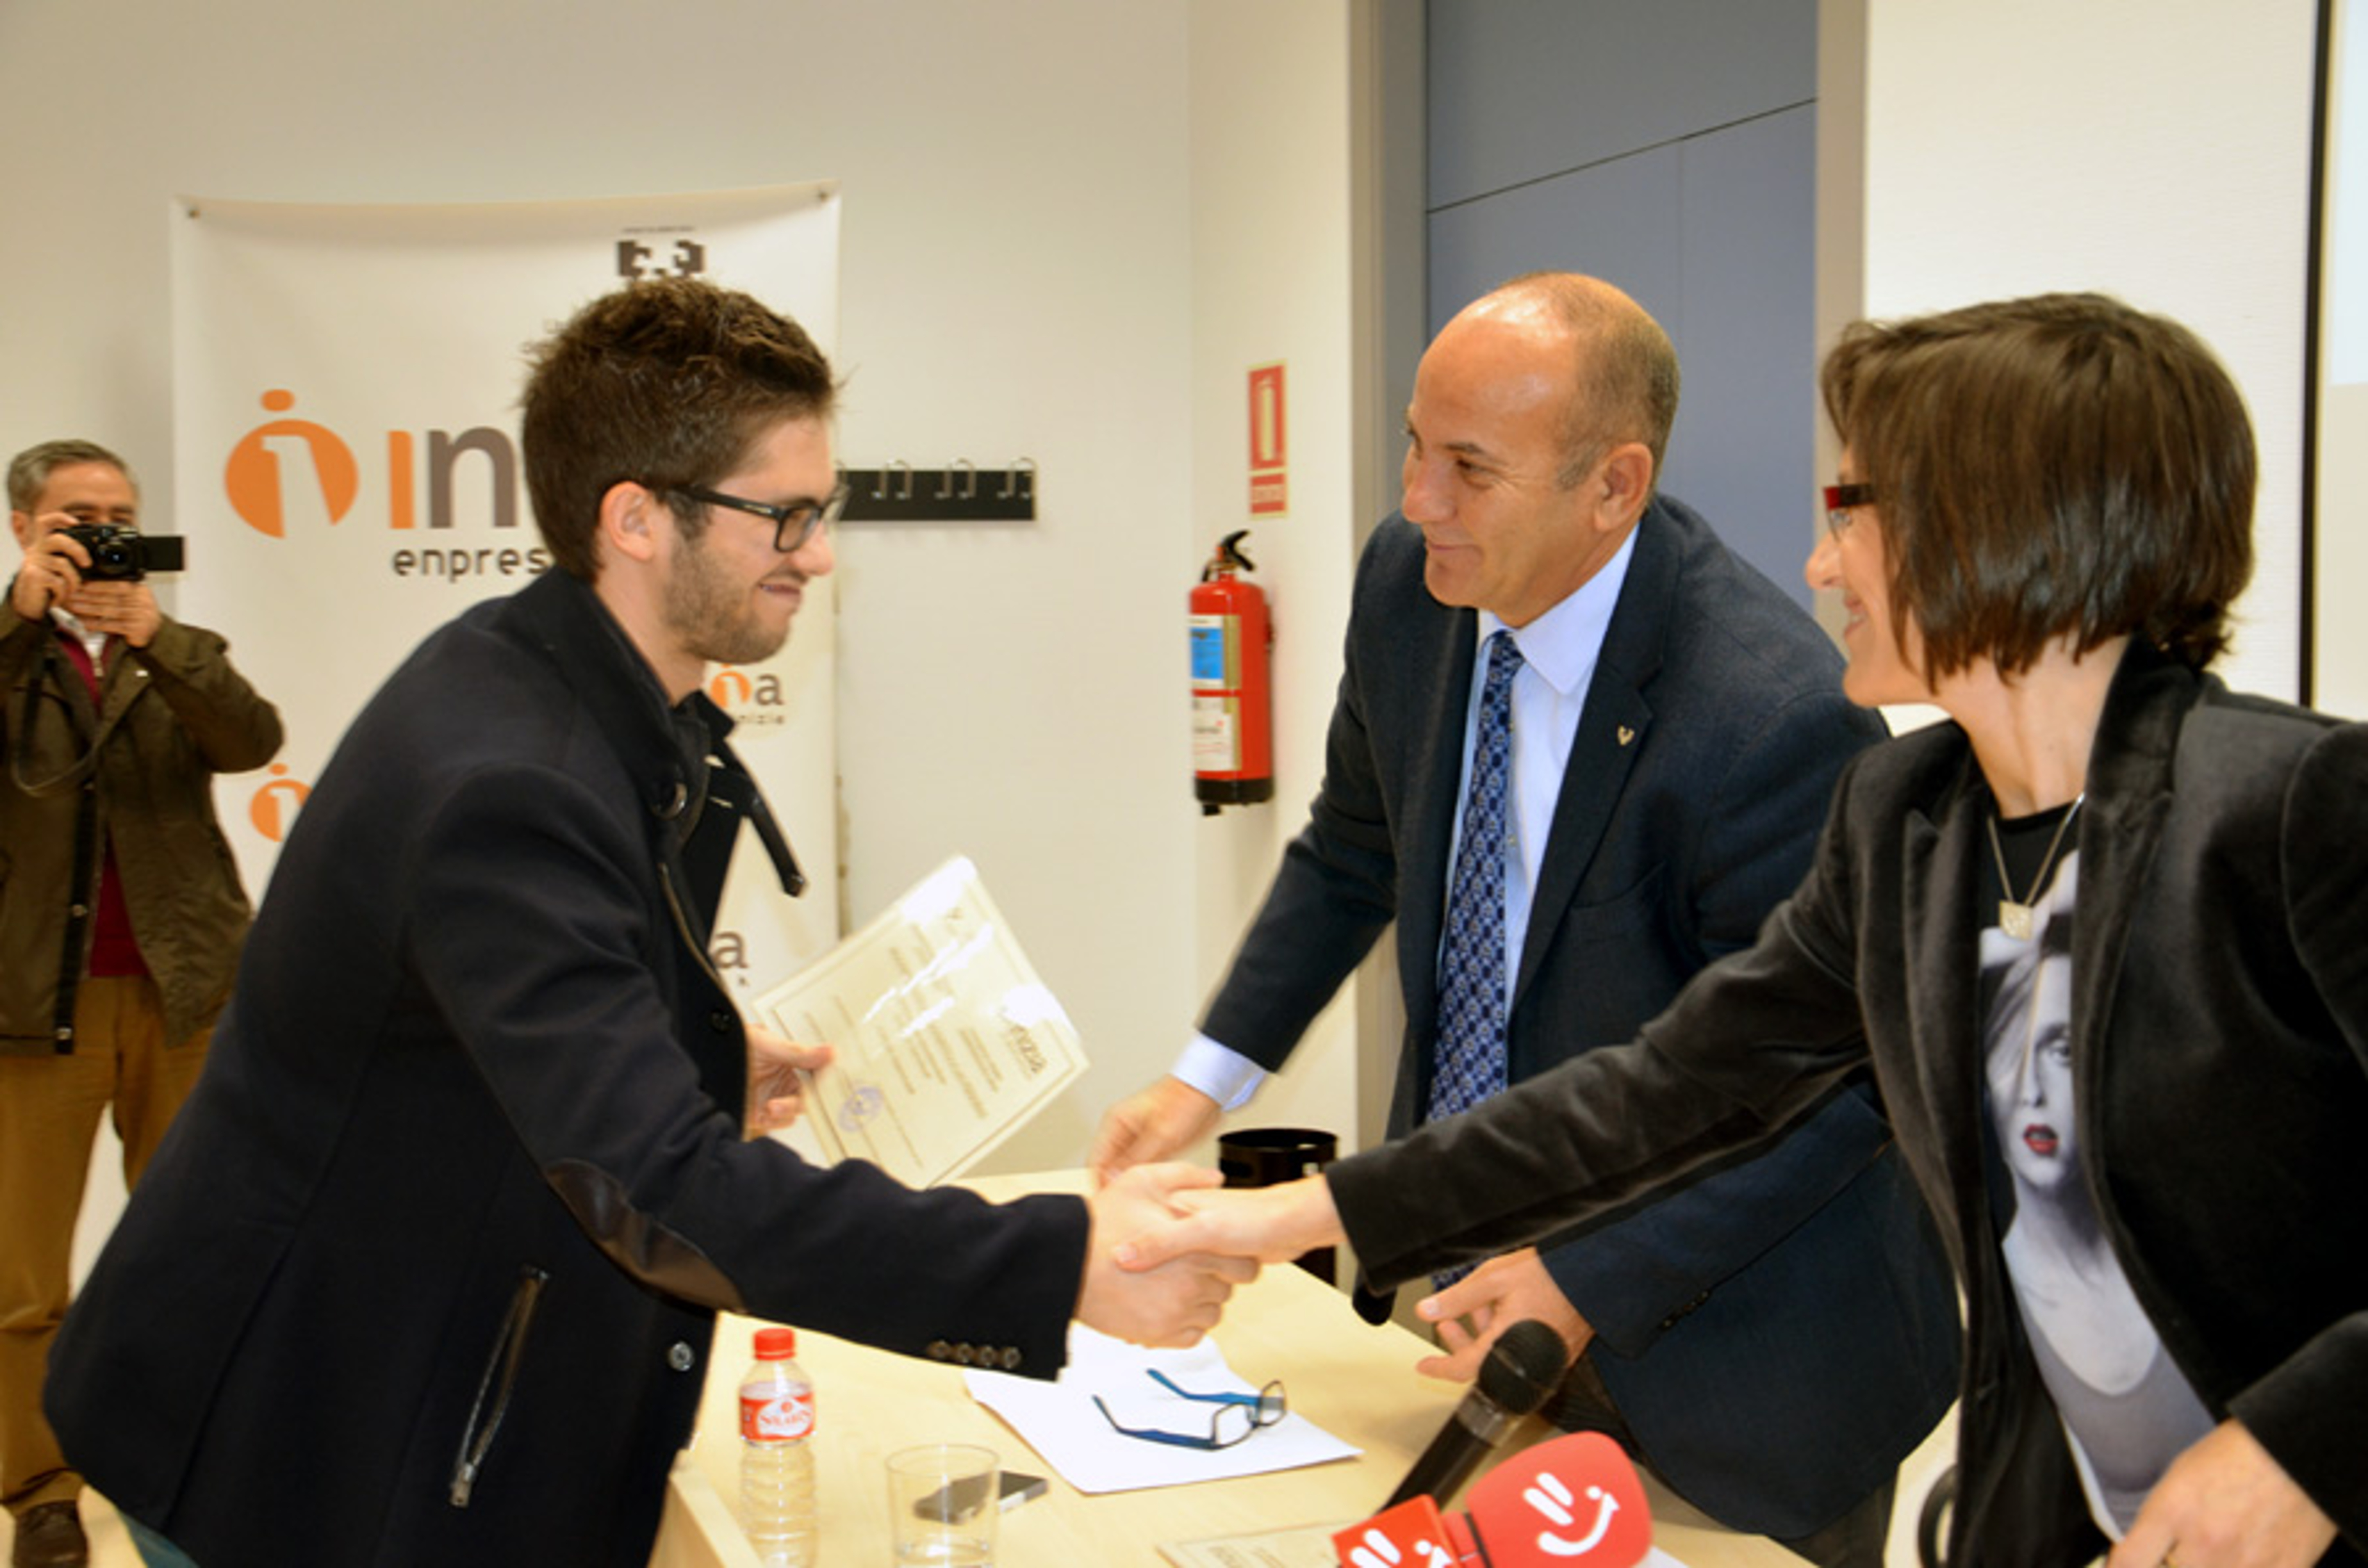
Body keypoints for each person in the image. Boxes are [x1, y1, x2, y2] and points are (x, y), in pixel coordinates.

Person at [1124, 292, 2367, 1567]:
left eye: (1856, 513)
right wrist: (1288, 1217)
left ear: (2011, 527)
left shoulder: (2304, 810)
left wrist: (2301, 1447)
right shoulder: (1908, 819)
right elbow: (1664, 1093)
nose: (1821, 567)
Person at [42, 279, 1249, 1568]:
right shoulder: (509, 776)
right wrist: (1059, 1265)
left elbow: (506, 1036)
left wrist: (698, 1056)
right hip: (289, 1442)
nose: (818, 553)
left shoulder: (553, 685)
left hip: (366, 1386)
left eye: (823, 510)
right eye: (783, 515)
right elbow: (652, 1183)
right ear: (635, 519)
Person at [1090, 273, 1958, 1564]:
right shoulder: (1415, 586)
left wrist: (1585, 1275)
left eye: (1470, 469)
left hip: (1736, 1362)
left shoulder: (1771, 716)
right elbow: (1354, 847)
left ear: (1614, 486)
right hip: (1470, 1301)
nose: (1417, 500)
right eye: (1415, 446)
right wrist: (1203, 1080)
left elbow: (1836, 1092)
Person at [2, 440, 282, 1568]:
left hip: (185, 997)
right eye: (76, 516)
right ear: (25, 527)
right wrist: (20, 620)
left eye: (118, 515)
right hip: (35, 1009)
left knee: (200, 1253)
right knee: (25, 1283)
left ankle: (196, 1468)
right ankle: (41, 1492)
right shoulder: (10, 650)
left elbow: (253, 740)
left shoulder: (170, 648)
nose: (101, 532)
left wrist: (156, 639)